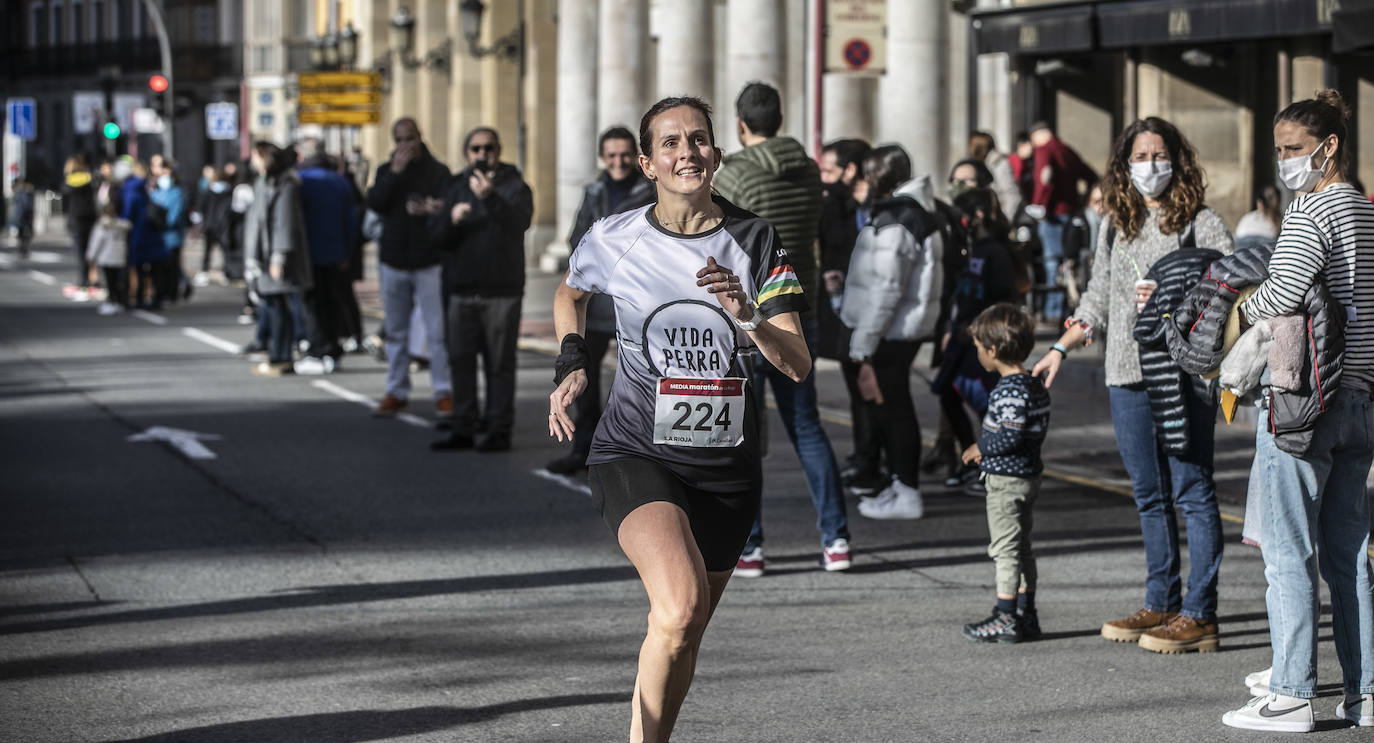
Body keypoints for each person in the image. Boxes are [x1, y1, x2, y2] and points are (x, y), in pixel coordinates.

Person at [549, 96, 810, 742]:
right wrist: (573, 357)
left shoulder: (755, 238)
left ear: (717, 155)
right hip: (637, 450)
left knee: (680, 630)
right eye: (670, 143)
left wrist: (747, 313)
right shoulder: (616, 235)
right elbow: (570, 291)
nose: (686, 152)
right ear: (647, 162)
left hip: (727, 466)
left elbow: (798, 363)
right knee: (681, 604)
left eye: (698, 140)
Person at [1031, 117, 1234, 655]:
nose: (1150, 166)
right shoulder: (1115, 224)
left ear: (1178, 161)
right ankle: (1160, 600)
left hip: (1184, 375)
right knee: (1149, 495)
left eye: (1159, 155)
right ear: (1123, 165)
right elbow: (1097, 296)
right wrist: (1059, 348)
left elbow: (1231, 279)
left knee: (1192, 490)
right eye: (1139, 156)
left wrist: (1177, 289)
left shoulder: (1200, 220)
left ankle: (1200, 612)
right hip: (1125, 374)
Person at [1221, 90, 1374, 733]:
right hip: (1362, 394)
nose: (1285, 161)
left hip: (1304, 397)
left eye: (1291, 149)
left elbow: (1283, 290)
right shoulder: (1366, 213)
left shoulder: (1312, 211)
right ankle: (1365, 693)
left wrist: (1242, 313)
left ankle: (1289, 694)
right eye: (1279, 150)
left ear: (1327, 147)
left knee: (1287, 550)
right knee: (1349, 554)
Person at [712, 81, 852, 573]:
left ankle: (750, 546)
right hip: (800, 308)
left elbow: (720, 237)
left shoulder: (736, 174)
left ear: (741, 125)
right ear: (780, 120)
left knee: (744, 431)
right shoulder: (809, 170)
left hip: (750, 315)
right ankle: (836, 540)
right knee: (807, 427)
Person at [842, 145, 945, 520]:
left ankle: (906, 491)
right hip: (896, 329)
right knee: (890, 409)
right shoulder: (906, 213)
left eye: (871, 172)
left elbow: (887, 288)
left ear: (885, 175)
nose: (865, 179)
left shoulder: (900, 218)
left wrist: (863, 343)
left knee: (894, 410)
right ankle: (899, 486)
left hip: (891, 332)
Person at [545, 126, 655, 473]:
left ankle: (634, 451)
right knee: (583, 380)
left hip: (631, 302)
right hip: (593, 302)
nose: (618, 162)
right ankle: (583, 447)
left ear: (636, 158)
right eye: (611, 155)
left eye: (624, 155)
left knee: (638, 380)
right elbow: (577, 237)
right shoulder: (593, 190)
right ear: (602, 158)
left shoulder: (649, 189)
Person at [427, 127, 533, 452]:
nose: (482, 154)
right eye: (475, 148)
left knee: (499, 365)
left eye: (488, 147)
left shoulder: (514, 185)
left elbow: (521, 222)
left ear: (498, 150)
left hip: (501, 292)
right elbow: (436, 239)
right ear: (466, 153)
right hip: (461, 291)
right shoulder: (455, 186)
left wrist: (491, 198)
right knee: (460, 362)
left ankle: (499, 428)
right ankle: (463, 426)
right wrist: (451, 220)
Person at [959, 303, 1050, 643]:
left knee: (1005, 551)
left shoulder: (1010, 389)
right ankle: (1028, 614)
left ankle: (1005, 616)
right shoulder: (1033, 385)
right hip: (1028, 476)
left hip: (1006, 484)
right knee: (1022, 547)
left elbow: (1009, 433)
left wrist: (980, 448)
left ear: (993, 350)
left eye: (978, 348)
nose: (978, 353)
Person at [933, 187, 1022, 493]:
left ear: (978, 215)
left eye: (962, 216)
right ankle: (969, 458)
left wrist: (980, 329)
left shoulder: (995, 252)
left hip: (983, 342)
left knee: (987, 405)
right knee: (946, 393)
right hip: (960, 339)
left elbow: (1005, 299)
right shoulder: (966, 248)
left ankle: (990, 463)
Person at [365, 118, 453, 418]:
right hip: (394, 259)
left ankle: (443, 391)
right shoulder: (386, 170)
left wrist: (434, 208)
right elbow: (375, 202)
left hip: (429, 260)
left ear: (420, 137)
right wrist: (394, 174)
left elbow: (451, 205)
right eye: (400, 139)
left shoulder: (438, 171)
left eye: (410, 138)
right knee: (396, 332)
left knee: (437, 331)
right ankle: (396, 391)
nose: (405, 145)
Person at [817, 139, 883, 494]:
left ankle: (875, 463)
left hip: (873, 310)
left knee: (873, 389)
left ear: (851, 169)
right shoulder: (834, 206)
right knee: (857, 388)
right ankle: (864, 455)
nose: (823, 178)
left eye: (829, 170)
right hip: (845, 308)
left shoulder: (875, 208)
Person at [243, 141, 313, 376]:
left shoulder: (285, 183)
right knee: (273, 307)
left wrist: (278, 257)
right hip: (263, 256)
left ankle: (281, 357)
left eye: (255, 156)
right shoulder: (265, 181)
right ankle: (276, 355)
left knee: (278, 308)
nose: (252, 161)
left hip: (274, 256)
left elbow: (284, 223)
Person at [294, 139, 358, 375]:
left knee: (311, 304)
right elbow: (351, 220)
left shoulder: (301, 179)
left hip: (308, 251)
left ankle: (317, 350)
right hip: (335, 250)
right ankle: (332, 349)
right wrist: (347, 251)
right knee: (332, 301)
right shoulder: (339, 180)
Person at [1026, 122, 1097, 323]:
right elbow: (1090, 175)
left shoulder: (1044, 150)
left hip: (1053, 215)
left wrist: (1039, 203)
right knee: (1066, 263)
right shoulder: (1066, 150)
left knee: (1052, 262)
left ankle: (1054, 310)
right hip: (1070, 213)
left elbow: (1044, 176)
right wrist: (1083, 200)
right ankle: (1062, 307)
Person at [149, 162, 189, 306]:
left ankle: (172, 292)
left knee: (172, 265)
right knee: (159, 267)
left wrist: (163, 224)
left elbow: (176, 215)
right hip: (158, 236)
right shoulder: (155, 193)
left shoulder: (178, 193)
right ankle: (161, 291)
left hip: (172, 236)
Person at [62, 154, 99, 297]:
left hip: (76, 221)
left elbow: (65, 199)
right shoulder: (89, 179)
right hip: (90, 219)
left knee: (80, 253)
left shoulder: (69, 182)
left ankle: (83, 281)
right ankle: (92, 278)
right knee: (91, 252)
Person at [87, 200, 130, 315]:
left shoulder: (101, 226)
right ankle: (121, 302)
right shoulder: (123, 226)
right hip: (120, 258)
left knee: (109, 282)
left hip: (106, 258)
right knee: (119, 281)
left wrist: (91, 256)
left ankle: (111, 302)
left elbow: (96, 242)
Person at [968, 131, 1022, 223]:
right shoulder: (978, 164)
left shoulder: (999, 164)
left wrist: (1004, 222)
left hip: (997, 222)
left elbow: (1012, 196)